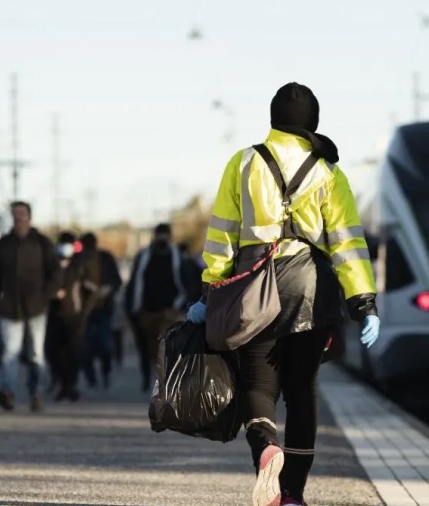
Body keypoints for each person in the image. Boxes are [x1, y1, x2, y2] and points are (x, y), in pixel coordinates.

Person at [186, 82, 380, 506]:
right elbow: (346, 242)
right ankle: (292, 493)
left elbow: (221, 237)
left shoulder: (243, 163)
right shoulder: (328, 172)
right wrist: (363, 302)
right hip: (311, 289)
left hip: (254, 287)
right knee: (302, 389)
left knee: (258, 382)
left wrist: (209, 293)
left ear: (274, 118)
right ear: (312, 121)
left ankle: (265, 449)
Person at [0, 201, 61, 413]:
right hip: (10, 308)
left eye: (22, 213)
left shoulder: (42, 243)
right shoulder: (4, 244)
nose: (18, 217)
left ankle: (35, 394)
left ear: (29, 216)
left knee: (35, 354)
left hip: (36, 307)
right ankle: (7, 392)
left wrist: (46, 295)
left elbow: (56, 274)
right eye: (15, 214)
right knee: (10, 352)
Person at [124, 223, 187, 392]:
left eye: (164, 235)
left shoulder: (176, 257)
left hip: (168, 310)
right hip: (146, 310)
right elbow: (135, 282)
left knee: (165, 347)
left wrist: (180, 304)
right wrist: (132, 307)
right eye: (160, 234)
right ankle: (148, 378)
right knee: (148, 348)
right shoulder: (144, 256)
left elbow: (185, 280)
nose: (162, 238)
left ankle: (165, 382)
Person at [48, 232, 98, 402]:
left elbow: (91, 290)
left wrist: (84, 312)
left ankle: (71, 385)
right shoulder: (51, 266)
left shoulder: (79, 267)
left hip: (74, 317)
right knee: (57, 353)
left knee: (73, 353)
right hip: (54, 317)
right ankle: (62, 384)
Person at [79, 232, 122, 390]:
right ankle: (91, 377)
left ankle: (105, 373)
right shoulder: (79, 260)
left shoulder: (105, 258)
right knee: (85, 347)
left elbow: (116, 281)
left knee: (105, 344)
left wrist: (107, 289)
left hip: (103, 309)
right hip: (84, 311)